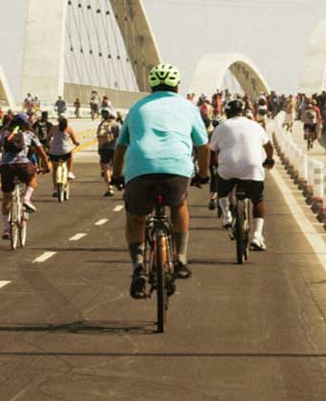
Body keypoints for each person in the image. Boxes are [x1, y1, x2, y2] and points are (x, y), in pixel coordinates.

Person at [113, 63, 210, 298]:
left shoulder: (137, 108)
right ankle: (181, 258)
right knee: (178, 204)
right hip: (176, 168)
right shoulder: (188, 107)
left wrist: (116, 175)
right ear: (177, 86)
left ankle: (138, 267)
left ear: (151, 86)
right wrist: (204, 174)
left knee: (136, 218)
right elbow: (203, 146)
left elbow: (121, 146)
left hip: (139, 168)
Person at [207, 98, 273, 251]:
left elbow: (212, 150)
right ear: (242, 112)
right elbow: (268, 146)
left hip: (228, 167)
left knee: (222, 190)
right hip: (252, 167)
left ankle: (226, 215)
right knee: (258, 200)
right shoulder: (255, 125)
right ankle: (257, 236)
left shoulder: (221, 127)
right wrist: (269, 160)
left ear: (227, 113)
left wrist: (215, 165)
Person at [0, 112, 47, 213]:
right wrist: (46, 167)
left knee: (6, 198)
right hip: (23, 165)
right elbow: (42, 153)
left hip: (6, 166)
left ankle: (5, 227)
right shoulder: (29, 134)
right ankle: (26, 198)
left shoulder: (4, 134)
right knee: (33, 176)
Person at [47, 115, 78, 196]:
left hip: (53, 152)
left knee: (55, 169)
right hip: (65, 152)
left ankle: (55, 189)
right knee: (71, 154)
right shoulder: (69, 129)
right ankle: (69, 172)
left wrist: (48, 145)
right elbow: (74, 141)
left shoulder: (53, 128)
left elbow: (48, 138)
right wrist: (76, 143)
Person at [95, 111, 123, 195]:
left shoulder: (102, 124)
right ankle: (120, 183)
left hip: (103, 149)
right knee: (117, 167)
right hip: (115, 149)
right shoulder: (117, 125)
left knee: (106, 168)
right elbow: (122, 137)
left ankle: (109, 188)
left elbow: (98, 136)